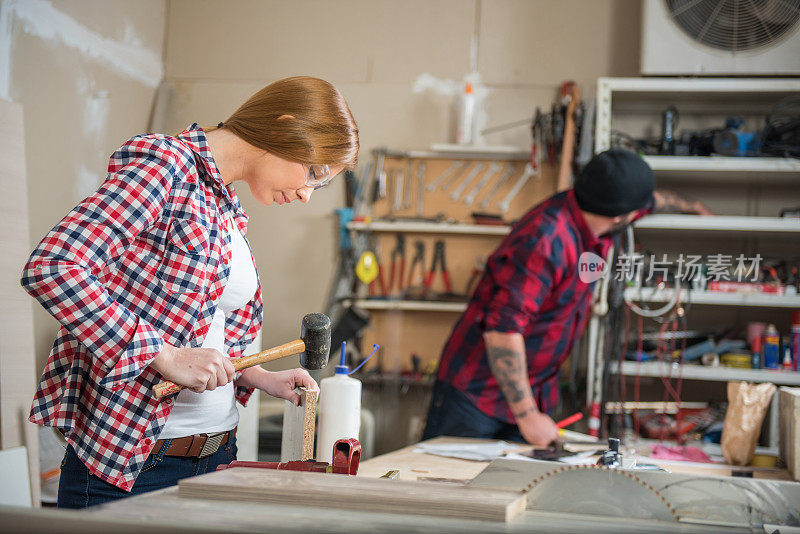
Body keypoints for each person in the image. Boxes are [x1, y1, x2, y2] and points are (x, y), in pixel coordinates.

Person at [20, 76, 358, 508]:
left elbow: (201, 323)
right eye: (314, 172)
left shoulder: (223, 201)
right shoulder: (166, 167)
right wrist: (164, 355)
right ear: (286, 125)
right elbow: (53, 267)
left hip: (217, 456)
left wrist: (256, 374)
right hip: (135, 464)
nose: (309, 193)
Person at [422, 149, 711, 446]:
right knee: (451, 485)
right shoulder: (546, 240)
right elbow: (503, 330)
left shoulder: (595, 207)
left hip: (532, 390)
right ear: (619, 216)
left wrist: (698, 208)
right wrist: (528, 416)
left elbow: (656, 201)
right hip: (476, 394)